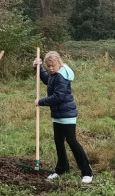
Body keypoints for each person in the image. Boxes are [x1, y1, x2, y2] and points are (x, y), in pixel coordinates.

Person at [34, 51, 93, 184]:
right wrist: (38, 68)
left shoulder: (61, 76)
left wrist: (40, 102)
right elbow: (47, 79)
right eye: (48, 66)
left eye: (52, 65)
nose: (50, 68)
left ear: (59, 63)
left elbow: (58, 97)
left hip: (67, 114)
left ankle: (87, 172)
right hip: (58, 114)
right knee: (58, 141)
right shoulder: (54, 75)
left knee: (72, 141)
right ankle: (62, 169)